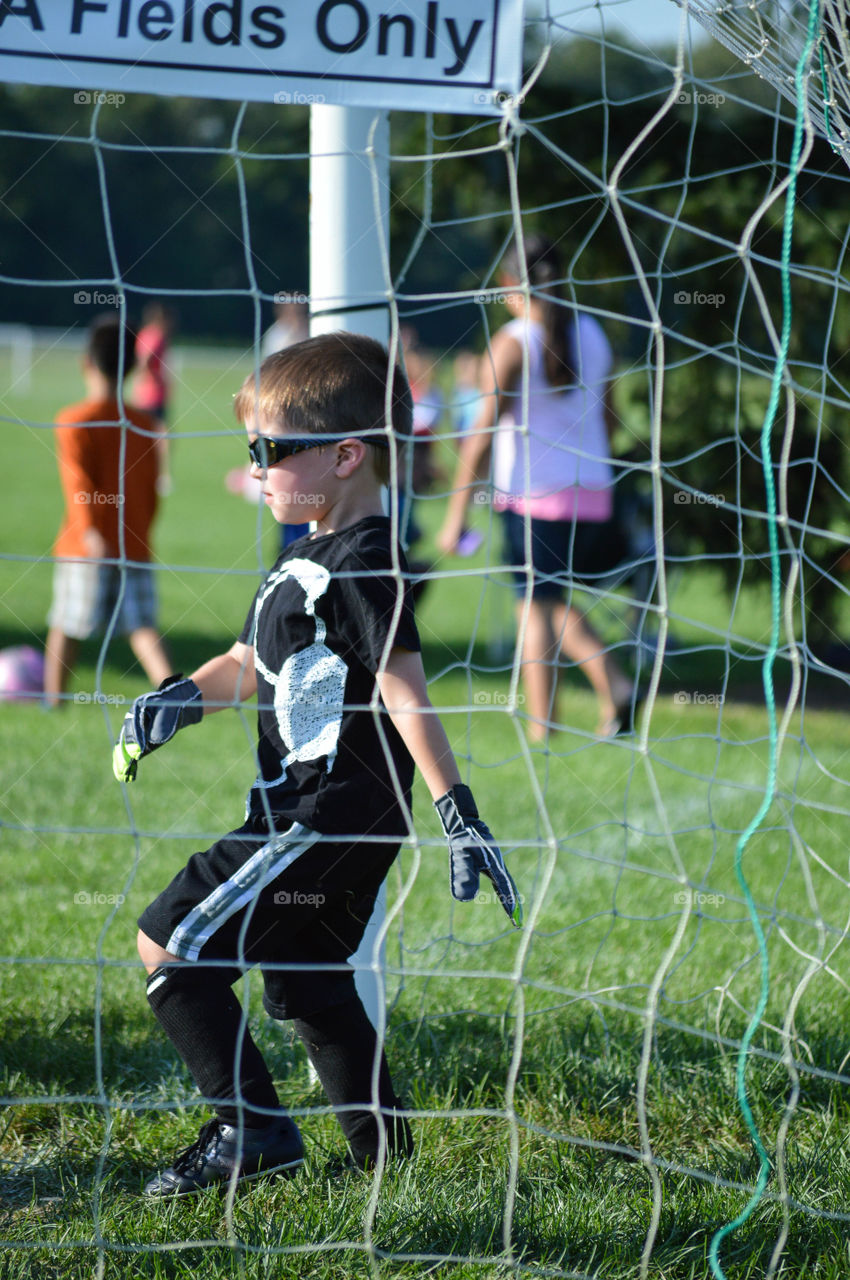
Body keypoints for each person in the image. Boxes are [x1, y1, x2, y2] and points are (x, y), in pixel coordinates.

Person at [113, 332, 521, 1197]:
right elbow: (243, 659)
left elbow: (404, 689)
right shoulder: (304, 552)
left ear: (344, 455)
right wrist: (178, 698)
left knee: (169, 945)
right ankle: (387, 1161)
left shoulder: (368, 558)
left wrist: (458, 810)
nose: (256, 469)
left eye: (270, 451)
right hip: (329, 817)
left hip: (320, 813)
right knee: (306, 981)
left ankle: (250, 1129)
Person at [437, 234, 636, 740]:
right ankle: (615, 686)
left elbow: (480, 436)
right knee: (551, 600)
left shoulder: (513, 340)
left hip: (533, 496)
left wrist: (456, 515)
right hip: (592, 492)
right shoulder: (593, 332)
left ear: (508, 284)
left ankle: (542, 727)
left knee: (533, 609)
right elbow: (611, 418)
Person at [44, 316, 172, 708]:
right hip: (133, 540)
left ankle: (52, 701)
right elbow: (152, 490)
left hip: (85, 546)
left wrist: (89, 531)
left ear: (86, 362)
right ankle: (173, 695)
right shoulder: (146, 424)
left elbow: (77, 484)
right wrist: (141, 530)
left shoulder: (72, 421)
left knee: (66, 624)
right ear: (133, 367)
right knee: (141, 627)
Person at [133, 302, 175, 495]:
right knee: (162, 438)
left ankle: (143, 473)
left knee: (145, 436)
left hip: (141, 395)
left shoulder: (143, 334)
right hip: (153, 395)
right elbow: (145, 361)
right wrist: (156, 378)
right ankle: (161, 477)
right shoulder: (157, 336)